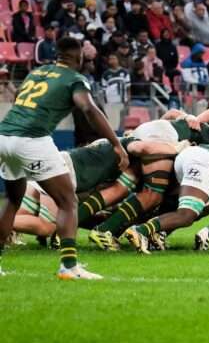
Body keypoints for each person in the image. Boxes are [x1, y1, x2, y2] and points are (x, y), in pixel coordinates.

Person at [0, 37, 129, 279]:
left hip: (4, 137)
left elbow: (19, 98)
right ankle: (69, 266)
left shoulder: (37, 73)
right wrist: (116, 143)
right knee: (68, 201)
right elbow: (88, 108)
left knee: (13, 200)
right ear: (78, 58)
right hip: (33, 140)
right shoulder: (74, 79)